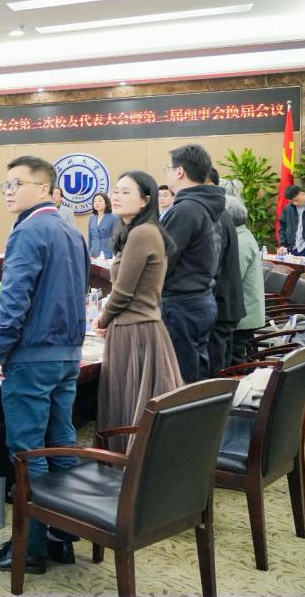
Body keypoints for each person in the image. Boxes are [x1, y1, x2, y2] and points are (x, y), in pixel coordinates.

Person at [0, 155, 87, 575]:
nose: (7, 192)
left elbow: (14, 298)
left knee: (29, 453)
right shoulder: (70, 230)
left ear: (44, 189)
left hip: (32, 357)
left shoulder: (28, 230)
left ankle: (30, 549)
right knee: (62, 444)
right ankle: (62, 538)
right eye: (5, 184)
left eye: (15, 184)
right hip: (67, 355)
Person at [92, 172, 182, 452]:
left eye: (126, 192)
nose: (117, 196)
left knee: (131, 406)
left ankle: (127, 467)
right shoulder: (138, 231)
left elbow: (123, 292)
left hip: (135, 331)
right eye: (116, 191)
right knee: (130, 404)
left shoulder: (142, 233)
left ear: (145, 200)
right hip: (138, 326)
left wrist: (102, 319)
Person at [160, 144, 224, 383]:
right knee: (195, 372)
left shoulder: (186, 210)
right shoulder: (206, 205)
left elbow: (163, 260)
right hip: (199, 299)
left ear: (180, 172)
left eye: (168, 169)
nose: (166, 174)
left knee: (181, 379)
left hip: (181, 305)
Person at [206, 172, 244, 376]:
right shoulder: (220, 214)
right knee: (223, 366)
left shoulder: (217, 216)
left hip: (221, 305)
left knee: (217, 370)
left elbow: (213, 267)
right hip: (226, 304)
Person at [230, 196, 266, 365]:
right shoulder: (241, 235)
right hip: (243, 309)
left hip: (244, 314)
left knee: (234, 359)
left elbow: (233, 276)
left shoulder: (240, 241)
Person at [276, 185, 305, 258]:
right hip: (292, 249)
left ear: (302, 194)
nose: (295, 203)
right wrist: (283, 245)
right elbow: (282, 228)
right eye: (291, 201)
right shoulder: (288, 208)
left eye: (296, 200)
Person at [87, 192, 116, 257]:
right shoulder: (92, 218)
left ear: (106, 203)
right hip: (93, 254)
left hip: (108, 254)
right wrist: (89, 253)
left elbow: (116, 238)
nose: (97, 203)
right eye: (95, 201)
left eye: (100, 201)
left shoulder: (113, 217)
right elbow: (90, 238)